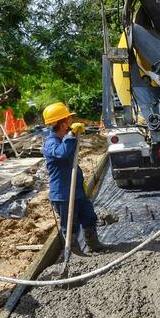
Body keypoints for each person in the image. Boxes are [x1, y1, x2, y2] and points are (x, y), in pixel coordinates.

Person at [42, 102, 106, 252]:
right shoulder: (50, 143)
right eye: (68, 119)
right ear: (62, 123)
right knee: (71, 225)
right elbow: (62, 153)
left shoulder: (64, 138)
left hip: (77, 190)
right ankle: (74, 253)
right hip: (63, 194)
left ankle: (94, 245)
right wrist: (71, 136)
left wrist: (72, 135)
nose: (71, 121)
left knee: (89, 216)